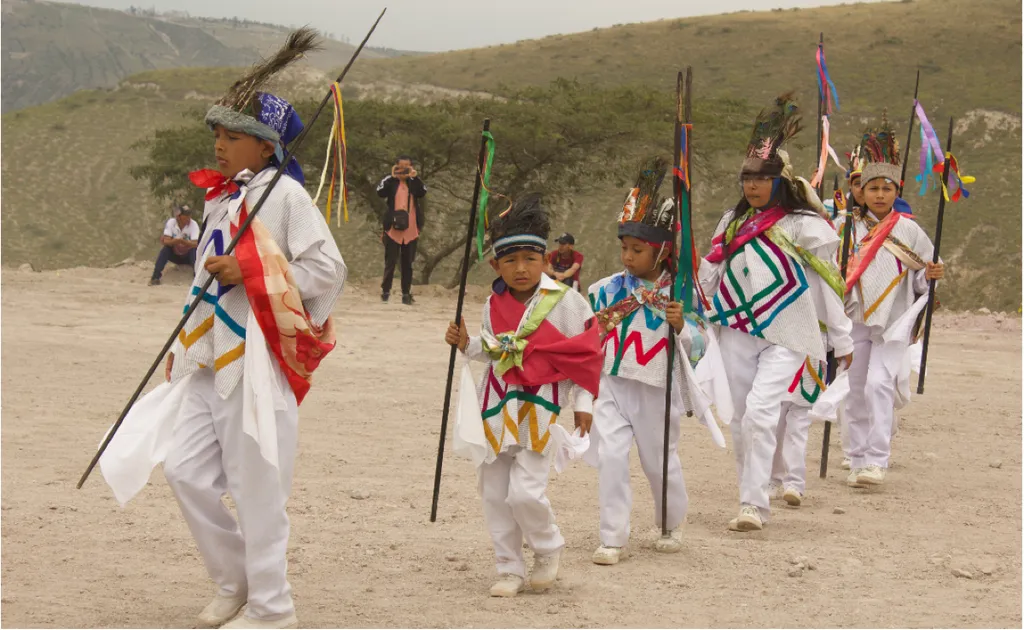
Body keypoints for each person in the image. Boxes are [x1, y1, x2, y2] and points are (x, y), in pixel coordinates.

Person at [100, 29, 346, 630]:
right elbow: (202, 281)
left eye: (232, 136)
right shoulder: (219, 200)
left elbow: (327, 271)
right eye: (216, 133)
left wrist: (252, 268)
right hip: (205, 356)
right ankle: (234, 582)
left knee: (256, 484)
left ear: (266, 147)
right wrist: (183, 340)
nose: (219, 144)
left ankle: (273, 608)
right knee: (184, 470)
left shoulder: (285, 197)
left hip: (257, 358)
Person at [700, 94, 853, 532]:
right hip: (735, 327)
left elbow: (827, 286)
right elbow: (709, 274)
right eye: (747, 177)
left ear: (781, 180)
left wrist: (840, 340)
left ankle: (753, 506)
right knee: (741, 417)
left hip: (789, 329)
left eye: (762, 178)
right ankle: (753, 490)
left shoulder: (807, 225)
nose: (752, 185)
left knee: (764, 410)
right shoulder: (731, 221)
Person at [444, 193, 602, 598]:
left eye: (530, 259)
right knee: (495, 493)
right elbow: (495, 349)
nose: (520, 268)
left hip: (541, 407)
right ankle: (508, 567)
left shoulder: (566, 302)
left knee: (526, 492)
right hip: (495, 407)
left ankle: (548, 547)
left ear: (546, 260)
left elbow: (584, 355)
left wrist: (583, 404)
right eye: (510, 260)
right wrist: (467, 343)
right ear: (495, 264)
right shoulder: (492, 303)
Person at [586, 158, 714, 564]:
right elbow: (588, 336)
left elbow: (701, 344)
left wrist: (681, 327)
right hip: (611, 385)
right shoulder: (603, 291)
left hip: (658, 389)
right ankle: (612, 538)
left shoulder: (681, 295)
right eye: (624, 248)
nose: (627, 256)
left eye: (637, 250)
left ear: (660, 251)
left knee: (658, 461)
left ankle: (669, 523)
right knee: (610, 456)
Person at [839, 120, 943, 489]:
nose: (880, 194)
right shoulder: (845, 228)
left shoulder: (909, 229)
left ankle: (876, 460)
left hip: (894, 318)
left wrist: (929, 275)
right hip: (853, 319)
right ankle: (854, 455)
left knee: (878, 385)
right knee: (853, 389)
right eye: (873, 188)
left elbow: (920, 274)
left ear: (896, 191)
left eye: (887, 188)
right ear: (861, 191)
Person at [377, 155, 426, 305]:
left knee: (408, 263)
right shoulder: (390, 181)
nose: (404, 170)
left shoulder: (414, 183)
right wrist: (393, 177)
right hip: (393, 229)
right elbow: (380, 192)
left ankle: (406, 293)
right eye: (401, 167)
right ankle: (385, 292)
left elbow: (422, 192)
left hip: (411, 229)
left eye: (407, 167)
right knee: (390, 262)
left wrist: (414, 178)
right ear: (396, 167)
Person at [150, 204, 200, 285]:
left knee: (194, 250)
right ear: (178, 216)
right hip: (175, 254)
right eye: (186, 215)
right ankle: (155, 277)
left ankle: (197, 277)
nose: (188, 218)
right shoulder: (171, 223)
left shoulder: (193, 224)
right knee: (166, 249)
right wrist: (176, 241)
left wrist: (183, 242)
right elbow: (166, 241)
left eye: (189, 215)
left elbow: (196, 244)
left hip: (188, 256)